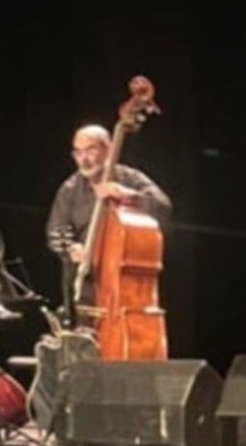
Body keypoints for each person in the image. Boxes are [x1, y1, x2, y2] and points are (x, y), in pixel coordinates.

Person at [44, 123, 172, 326]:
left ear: (109, 149)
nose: (84, 159)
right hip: (86, 285)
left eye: (90, 150)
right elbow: (56, 231)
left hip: (123, 286)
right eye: (78, 153)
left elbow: (163, 207)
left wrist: (127, 194)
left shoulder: (129, 178)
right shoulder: (70, 189)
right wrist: (71, 248)